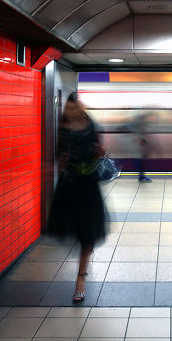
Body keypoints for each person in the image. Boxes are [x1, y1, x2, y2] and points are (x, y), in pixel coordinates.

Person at [48, 93, 108, 302]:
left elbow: (100, 148)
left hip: (89, 185)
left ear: (80, 107)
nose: (72, 112)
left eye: (75, 108)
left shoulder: (90, 123)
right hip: (70, 186)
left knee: (88, 233)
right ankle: (84, 264)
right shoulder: (63, 129)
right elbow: (59, 155)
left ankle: (80, 279)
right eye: (69, 108)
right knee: (77, 229)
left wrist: (98, 152)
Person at [130, 110, 153, 182]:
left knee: (140, 159)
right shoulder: (139, 123)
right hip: (137, 143)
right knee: (140, 160)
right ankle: (141, 176)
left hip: (138, 143)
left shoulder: (139, 122)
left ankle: (141, 176)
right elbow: (138, 133)